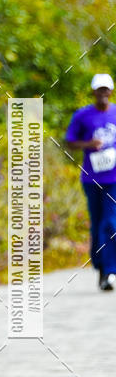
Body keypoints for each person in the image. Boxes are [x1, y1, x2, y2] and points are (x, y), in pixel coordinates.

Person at [65, 73, 116, 290]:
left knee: (110, 223)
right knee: (97, 225)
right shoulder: (82, 115)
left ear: (111, 91)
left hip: (114, 179)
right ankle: (100, 266)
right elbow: (69, 142)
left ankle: (109, 270)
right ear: (94, 92)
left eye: (106, 89)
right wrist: (88, 144)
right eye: (99, 89)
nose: (103, 93)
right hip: (92, 179)